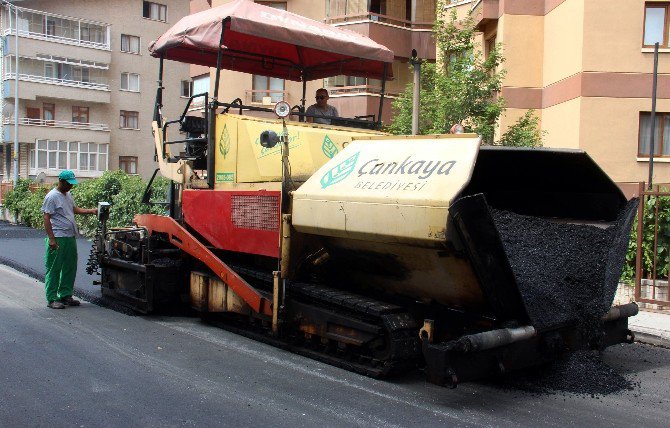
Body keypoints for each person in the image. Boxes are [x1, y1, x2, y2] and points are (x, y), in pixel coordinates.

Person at [41, 170, 97, 309]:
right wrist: (52, 239)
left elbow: (73, 209)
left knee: (69, 267)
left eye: (72, 184)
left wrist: (91, 211)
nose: (71, 186)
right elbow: (46, 217)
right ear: (61, 181)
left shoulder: (68, 195)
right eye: (69, 184)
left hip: (69, 236)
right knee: (54, 268)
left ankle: (65, 294)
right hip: (58, 237)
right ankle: (52, 298)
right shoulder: (52, 196)